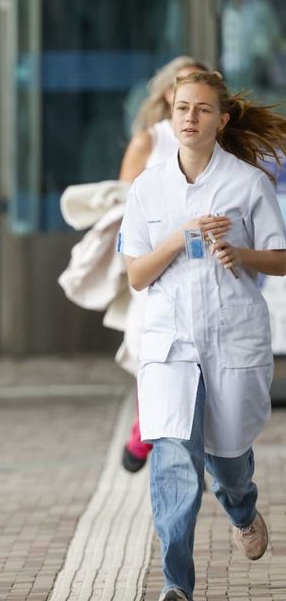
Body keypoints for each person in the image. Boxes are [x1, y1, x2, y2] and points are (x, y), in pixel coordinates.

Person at [119, 70, 286, 601]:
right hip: (170, 344)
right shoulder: (148, 187)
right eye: (182, 108)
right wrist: (178, 239)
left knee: (229, 458)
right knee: (173, 462)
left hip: (233, 337)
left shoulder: (247, 183)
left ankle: (241, 507)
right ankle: (177, 585)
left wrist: (240, 254)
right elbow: (137, 276)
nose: (190, 118)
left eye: (202, 110)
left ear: (222, 118)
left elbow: (280, 259)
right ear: (170, 113)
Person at [116, 56, 210, 474]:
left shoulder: (219, 142)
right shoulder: (148, 142)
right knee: (151, 351)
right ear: (168, 96)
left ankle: (184, 450)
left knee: (201, 360)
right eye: (180, 89)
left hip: (207, 267)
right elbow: (123, 204)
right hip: (156, 267)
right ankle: (145, 432)